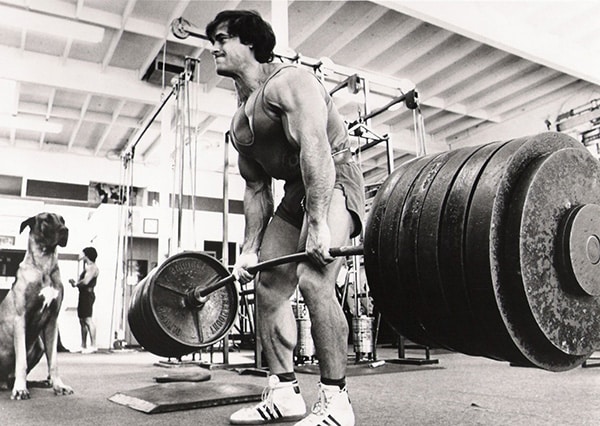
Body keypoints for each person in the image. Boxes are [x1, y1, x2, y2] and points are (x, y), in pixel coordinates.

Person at [206, 10, 365, 426]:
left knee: (315, 277)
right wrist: (248, 249)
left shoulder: (290, 82)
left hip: (333, 175)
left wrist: (317, 224)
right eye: (214, 41)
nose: (215, 47)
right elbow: (257, 189)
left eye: (223, 38)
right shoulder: (240, 122)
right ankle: (283, 391)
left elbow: (316, 148)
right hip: (296, 192)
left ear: (251, 43)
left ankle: (336, 401)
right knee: (269, 285)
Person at [69, 247, 99, 354]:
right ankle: (83, 345)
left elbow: (86, 282)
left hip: (87, 294)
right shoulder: (88, 267)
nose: (80, 255)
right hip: (83, 294)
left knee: (88, 319)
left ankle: (94, 345)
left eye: (82, 253)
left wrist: (77, 284)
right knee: (82, 320)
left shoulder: (92, 268)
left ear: (86, 255)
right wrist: (75, 284)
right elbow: (82, 282)